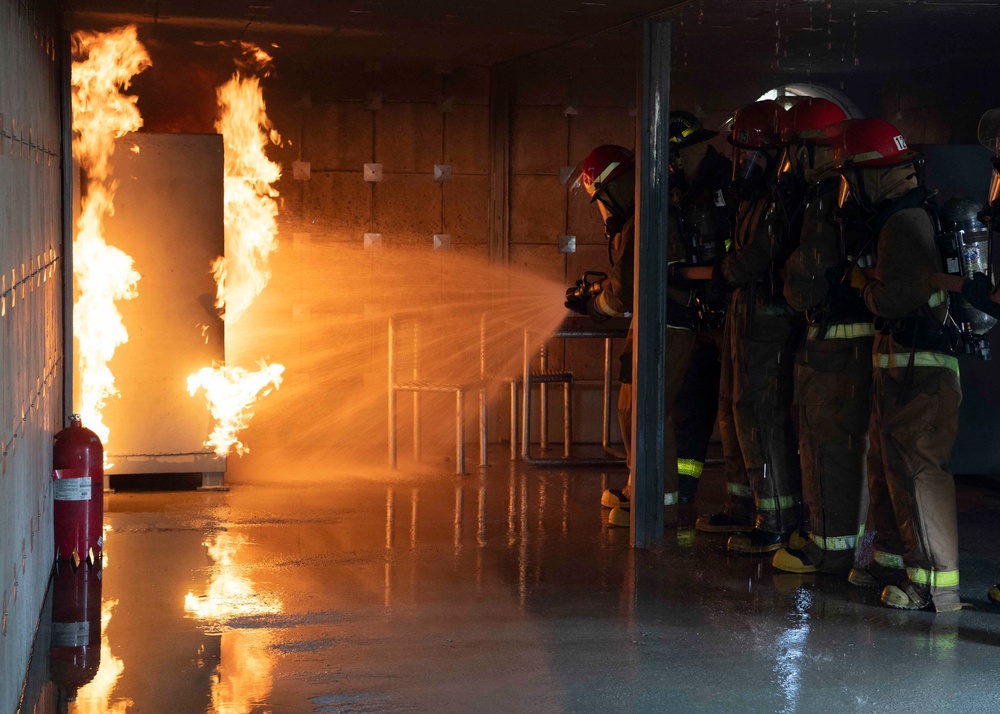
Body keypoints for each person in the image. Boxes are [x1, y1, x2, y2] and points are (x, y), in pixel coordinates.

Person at [834, 118, 963, 612]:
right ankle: (891, 561)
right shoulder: (898, 214)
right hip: (904, 367)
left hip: (922, 371)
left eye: (853, 176)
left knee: (918, 472)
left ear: (874, 174)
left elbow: (893, 298)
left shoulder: (903, 221)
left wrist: (861, 285)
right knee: (890, 469)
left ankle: (935, 586)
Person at [768, 98, 875, 576]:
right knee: (841, 444)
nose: (793, 164)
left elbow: (806, 276)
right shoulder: (850, 191)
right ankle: (840, 540)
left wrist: (789, 289)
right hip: (849, 340)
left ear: (822, 151)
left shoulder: (824, 197)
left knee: (825, 443)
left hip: (832, 343)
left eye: (799, 151)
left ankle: (828, 549)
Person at [565, 144, 696, 526]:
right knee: (629, 407)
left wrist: (594, 305)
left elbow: (623, 290)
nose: (604, 212)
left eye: (602, 201)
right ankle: (639, 484)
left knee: (648, 411)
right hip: (650, 323)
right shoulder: (636, 220)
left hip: (667, 324)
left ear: (615, 189)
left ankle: (657, 501)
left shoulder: (644, 219)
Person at [695, 99, 804, 555]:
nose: (745, 164)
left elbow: (763, 252)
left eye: (752, 155)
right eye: (741, 155)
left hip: (767, 322)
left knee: (759, 415)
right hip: (743, 317)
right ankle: (743, 506)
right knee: (731, 409)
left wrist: (725, 272)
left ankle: (775, 518)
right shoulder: (752, 200)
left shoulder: (784, 199)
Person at [667, 111, 734, 504]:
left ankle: (751, 506)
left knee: (737, 413)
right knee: (689, 407)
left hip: (730, 319)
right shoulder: (684, 188)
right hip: (700, 317)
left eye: (673, 155)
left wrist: (696, 275)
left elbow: (734, 256)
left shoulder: (727, 184)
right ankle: (681, 492)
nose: (672, 165)